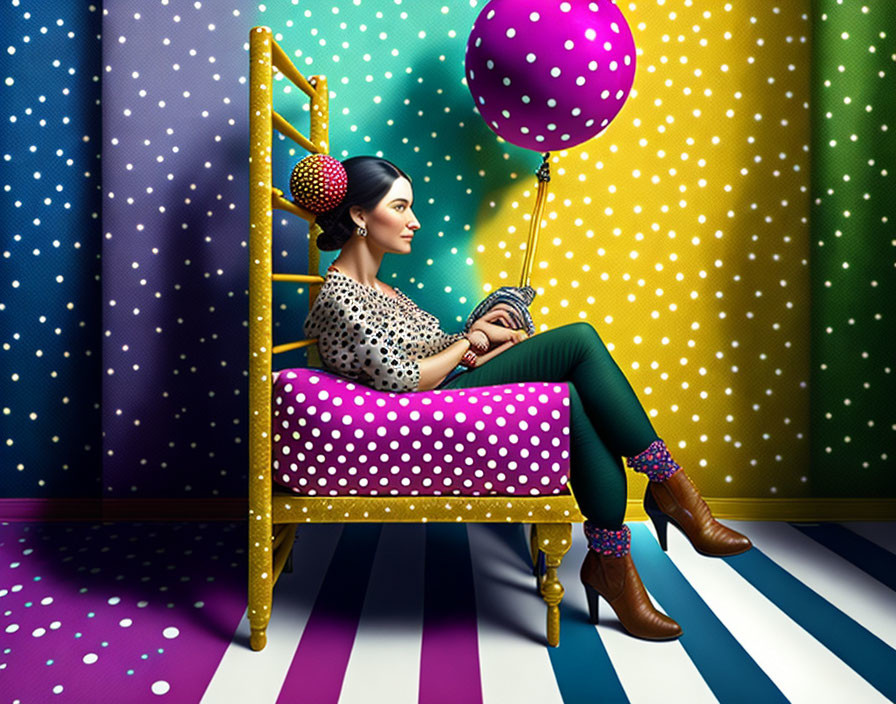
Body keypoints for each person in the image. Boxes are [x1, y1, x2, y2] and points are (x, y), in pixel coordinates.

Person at [301, 155, 752, 641]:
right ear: (360, 216)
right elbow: (408, 377)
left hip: (451, 384)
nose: (414, 221)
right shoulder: (340, 296)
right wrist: (466, 344)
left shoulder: (383, 289)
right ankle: (673, 493)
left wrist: (480, 336)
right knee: (579, 340)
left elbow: (428, 351)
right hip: (431, 402)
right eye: (401, 207)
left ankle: (612, 562)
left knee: (573, 396)